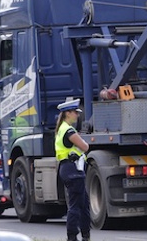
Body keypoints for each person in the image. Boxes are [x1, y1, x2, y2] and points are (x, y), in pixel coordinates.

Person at [55, 99, 91, 241]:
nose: (77, 115)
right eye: (75, 112)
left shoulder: (62, 128)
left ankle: (85, 235)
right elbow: (85, 147)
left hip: (68, 169)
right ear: (67, 113)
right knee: (76, 206)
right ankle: (73, 237)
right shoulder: (69, 131)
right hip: (73, 170)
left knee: (83, 204)